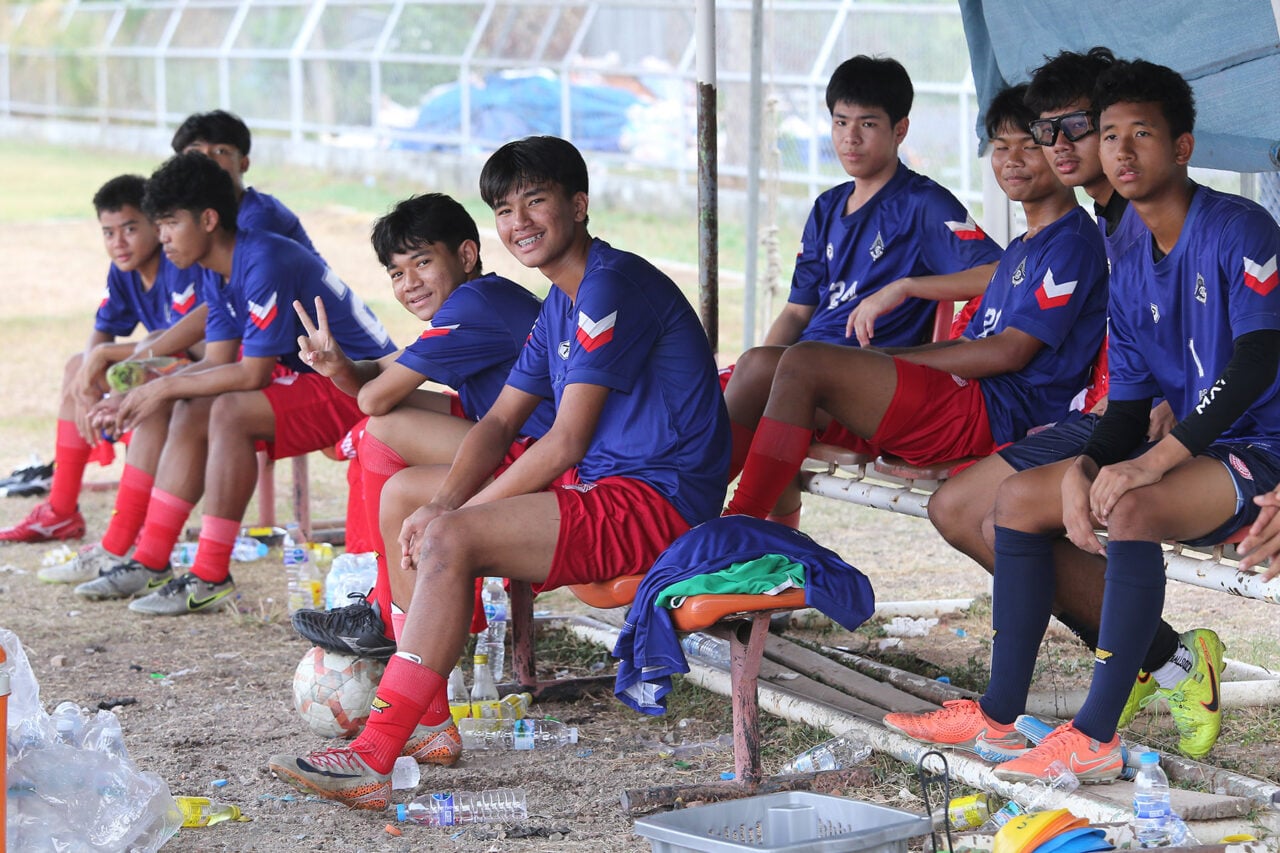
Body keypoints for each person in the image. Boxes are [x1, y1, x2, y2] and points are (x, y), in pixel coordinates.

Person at [267, 135, 730, 809]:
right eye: (505, 210)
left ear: (579, 205)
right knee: (416, 503)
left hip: (657, 503)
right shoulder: (560, 301)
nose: (519, 222)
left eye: (535, 201)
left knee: (449, 536)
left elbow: (565, 440)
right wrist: (445, 500)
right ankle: (425, 724)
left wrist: (455, 513)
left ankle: (372, 756)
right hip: (604, 488)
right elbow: (498, 424)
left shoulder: (608, 284)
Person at [886, 59, 1280, 778]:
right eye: (1111, 134)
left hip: (1259, 450)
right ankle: (1000, 716)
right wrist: (1087, 467)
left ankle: (1095, 737)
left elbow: (1257, 360)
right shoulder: (1125, 252)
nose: (1121, 151)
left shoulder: (1239, 227)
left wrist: (1149, 462)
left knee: (1129, 507)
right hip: (1191, 449)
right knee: (1017, 500)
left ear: (1183, 147)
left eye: (1140, 135)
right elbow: (1128, 404)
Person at [723, 84, 1109, 522]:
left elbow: (1009, 351)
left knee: (804, 361)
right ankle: (694, 514)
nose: (1011, 160)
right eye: (1001, 147)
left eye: (1029, 146)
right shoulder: (1023, 245)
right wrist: (882, 362)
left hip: (992, 414)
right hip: (962, 399)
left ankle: (738, 525)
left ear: (1058, 152)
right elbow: (967, 343)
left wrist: (892, 359)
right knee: (760, 364)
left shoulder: (1072, 243)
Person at [71, 152, 395, 612]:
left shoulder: (263, 258)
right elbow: (217, 360)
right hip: (314, 378)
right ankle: (151, 560)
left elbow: (251, 373)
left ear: (208, 219)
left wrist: (160, 387)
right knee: (193, 406)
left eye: (171, 223)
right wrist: (141, 390)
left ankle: (209, 573)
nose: (163, 237)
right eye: (158, 225)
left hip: (360, 385)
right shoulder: (216, 268)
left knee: (227, 409)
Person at [721, 55, 1002, 524]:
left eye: (867, 124)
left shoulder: (923, 204)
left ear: (900, 130)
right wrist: (759, 365)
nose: (850, 138)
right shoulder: (827, 207)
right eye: (840, 122)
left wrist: (908, 286)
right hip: (799, 373)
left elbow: (999, 271)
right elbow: (795, 313)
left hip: (865, 390)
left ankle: (709, 522)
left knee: (760, 381)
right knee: (719, 387)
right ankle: (751, 534)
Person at [288, 192, 555, 658]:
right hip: (527, 446)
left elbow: (374, 397)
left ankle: (392, 618)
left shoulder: (475, 305)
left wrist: (356, 379)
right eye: (396, 273)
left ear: (466, 255)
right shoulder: (481, 298)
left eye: (422, 262)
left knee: (384, 434)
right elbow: (379, 373)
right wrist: (339, 366)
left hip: (551, 462)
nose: (409, 283)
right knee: (392, 439)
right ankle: (409, 613)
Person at [1, 174, 210, 547]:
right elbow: (102, 333)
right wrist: (86, 382)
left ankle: (129, 531)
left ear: (156, 225)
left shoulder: (179, 262)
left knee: (141, 386)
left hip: (205, 371)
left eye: (130, 229)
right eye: (108, 233)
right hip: (165, 367)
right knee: (76, 366)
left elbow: (182, 344)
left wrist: (104, 356)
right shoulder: (123, 271)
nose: (118, 243)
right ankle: (60, 511)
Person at [170, 109, 319, 256]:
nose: (206, 160)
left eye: (221, 151)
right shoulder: (179, 218)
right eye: (195, 152)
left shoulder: (260, 219)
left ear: (244, 163)